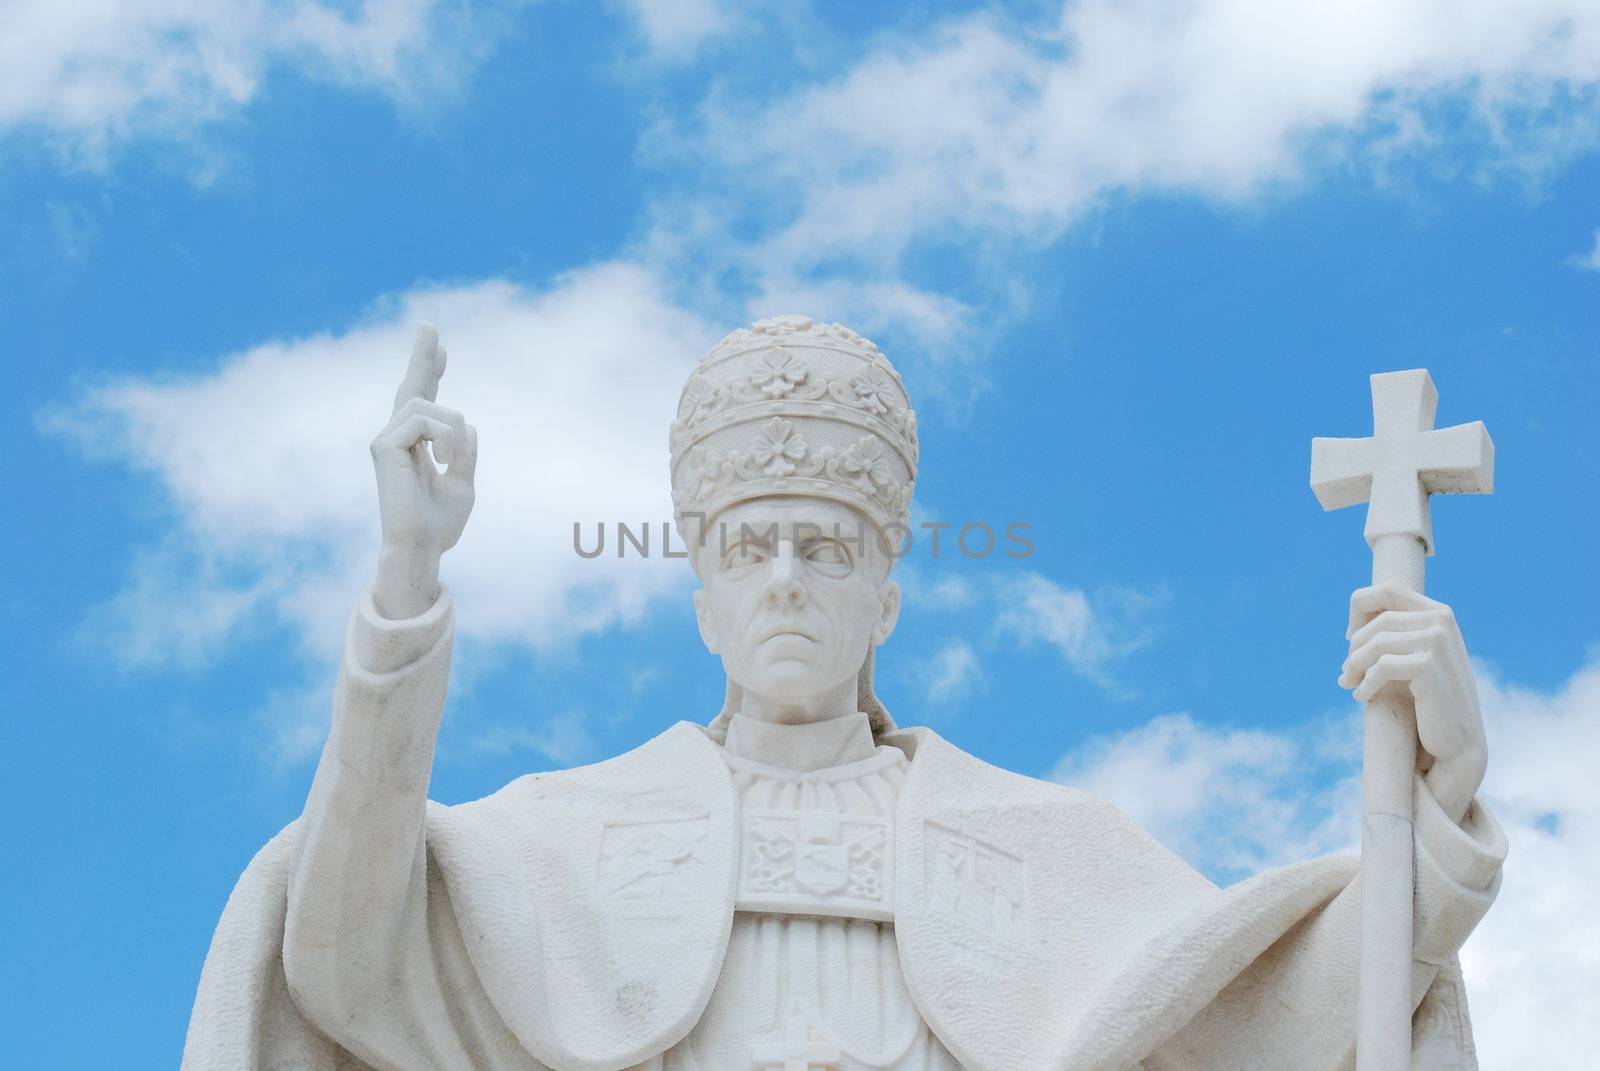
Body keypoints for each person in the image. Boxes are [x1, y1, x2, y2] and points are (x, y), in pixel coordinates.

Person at [183, 315, 1504, 1070]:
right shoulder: (562, 838)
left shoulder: (1048, 847)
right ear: (700, 600)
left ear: (888, 598)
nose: (787, 583)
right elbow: (343, 938)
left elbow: (1296, 1006)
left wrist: (1441, 780)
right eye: (748, 551)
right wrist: (407, 576)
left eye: (828, 550)